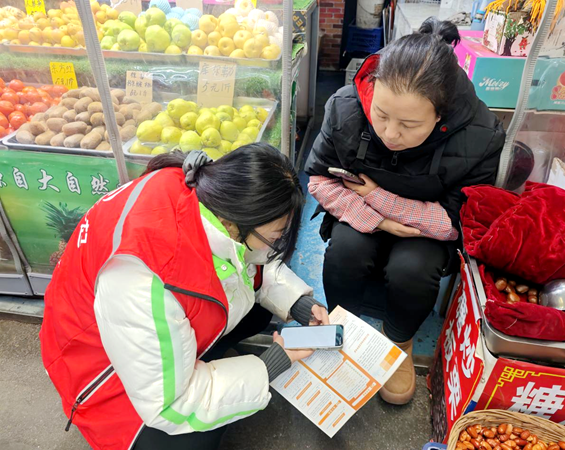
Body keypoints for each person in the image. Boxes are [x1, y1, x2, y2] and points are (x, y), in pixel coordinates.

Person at [40, 145, 329, 450]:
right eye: (275, 237)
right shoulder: (143, 279)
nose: (277, 246)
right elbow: (171, 406)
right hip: (100, 375)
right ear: (233, 223)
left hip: (138, 332)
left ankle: (201, 362)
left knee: (256, 312)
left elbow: (248, 258)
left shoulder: (201, 191)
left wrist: (296, 301)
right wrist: (269, 366)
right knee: (193, 439)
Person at [305, 18, 505, 405]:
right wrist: (379, 220)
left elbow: (456, 221)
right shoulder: (345, 106)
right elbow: (319, 180)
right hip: (360, 211)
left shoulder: (480, 136)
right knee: (345, 250)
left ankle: (398, 342)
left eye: (409, 124)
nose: (390, 134)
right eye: (381, 114)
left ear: (441, 116)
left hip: (427, 232)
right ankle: (341, 327)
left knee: (412, 269)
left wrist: (379, 196)